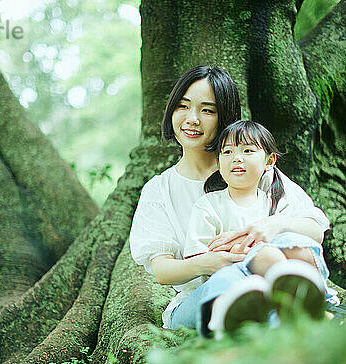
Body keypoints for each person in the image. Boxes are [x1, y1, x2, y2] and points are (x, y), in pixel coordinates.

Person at [129, 65, 331, 337]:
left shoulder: (251, 166)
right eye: (183, 106)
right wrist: (211, 262)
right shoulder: (159, 189)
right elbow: (162, 271)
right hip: (205, 292)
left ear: (224, 117)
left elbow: (315, 230)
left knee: (291, 250)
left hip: (268, 278)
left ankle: (299, 317)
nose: (192, 119)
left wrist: (275, 225)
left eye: (207, 110)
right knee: (231, 281)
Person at [183, 120, 332, 338]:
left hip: (267, 282)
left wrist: (272, 233)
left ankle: (299, 306)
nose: (236, 157)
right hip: (226, 281)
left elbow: (315, 234)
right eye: (227, 151)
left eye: (247, 150)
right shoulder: (209, 206)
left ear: (269, 161)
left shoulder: (276, 203)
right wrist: (235, 255)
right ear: (218, 161)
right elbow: (198, 259)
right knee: (268, 252)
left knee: (295, 243)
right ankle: (293, 311)